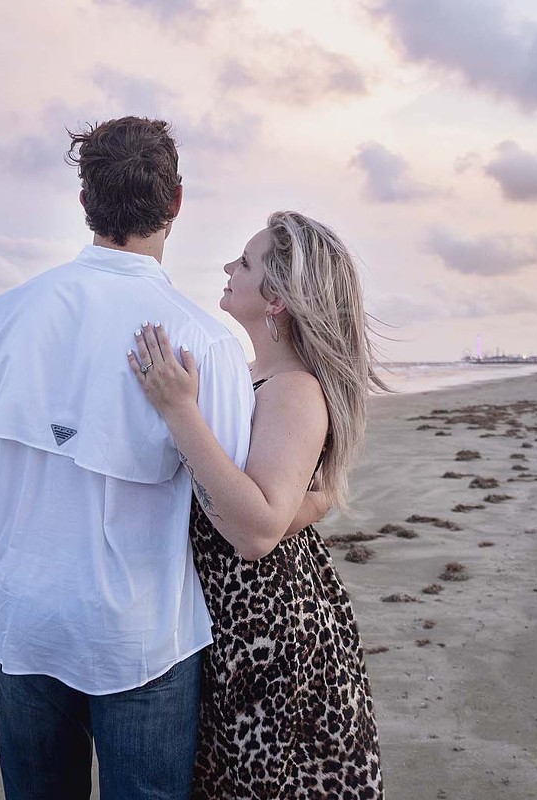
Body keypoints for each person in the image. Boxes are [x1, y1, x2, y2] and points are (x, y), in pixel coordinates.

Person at [0, 117, 262, 800]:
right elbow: (232, 507)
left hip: (24, 616)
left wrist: (13, 565)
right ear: (176, 202)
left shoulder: (8, 314)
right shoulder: (204, 340)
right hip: (140, 634)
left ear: (85, 200)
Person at [128, 211, 385, 797]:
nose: (226, 267)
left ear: (278, 300)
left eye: (244, 262)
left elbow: (256, 533)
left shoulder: (295, 388)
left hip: (267, 631)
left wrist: (179, 410)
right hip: (242, 625)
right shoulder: (255, 376)